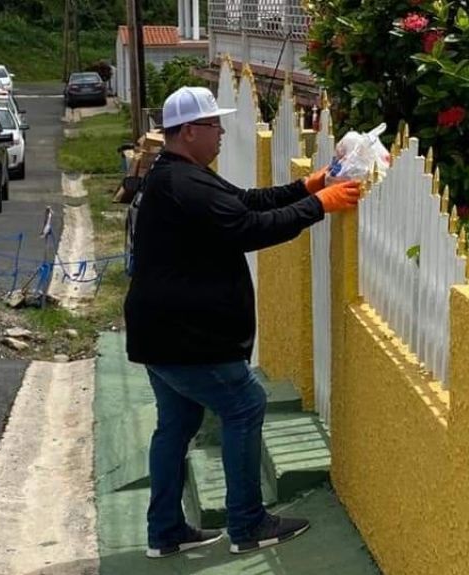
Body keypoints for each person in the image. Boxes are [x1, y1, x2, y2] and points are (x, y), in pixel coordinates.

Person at [124, 86, 361, 558]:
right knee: (245, 405)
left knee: (176, 423)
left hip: (161, 334)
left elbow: (247, 202)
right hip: (186, 337)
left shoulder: (181, 175)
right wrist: (320, 206)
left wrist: (307, 186)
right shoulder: (184, 185)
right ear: (189, 132)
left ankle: (165, 532)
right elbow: (248, 229)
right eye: (214, 126)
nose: (221, 134)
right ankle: (248, 524)